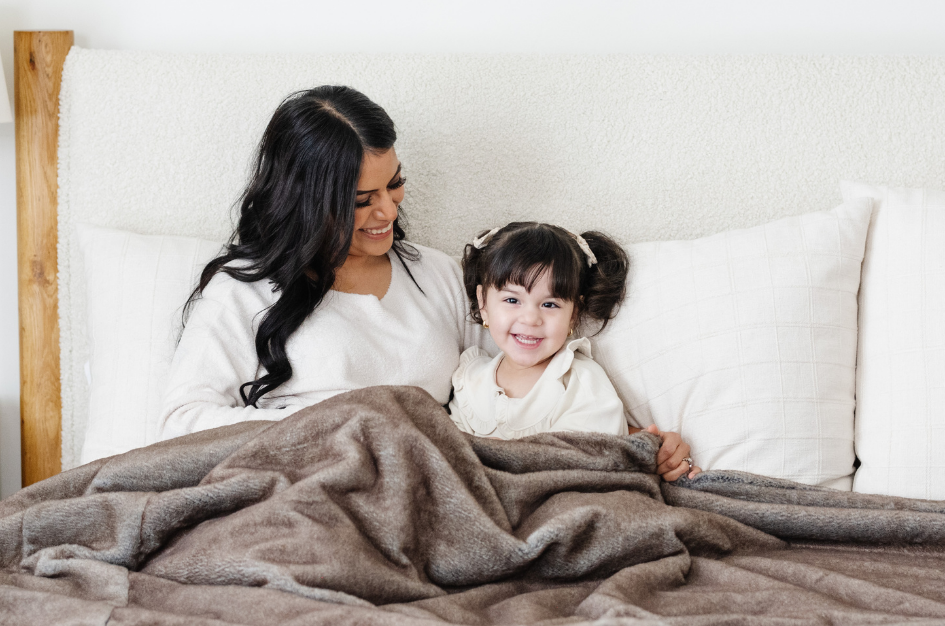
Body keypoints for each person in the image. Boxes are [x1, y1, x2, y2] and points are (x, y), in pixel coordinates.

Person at [159, 85, 482, 437]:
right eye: (362, 200)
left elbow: (515, 380)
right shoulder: (243, 293)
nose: (389, 209)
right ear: (306, 201)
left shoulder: (439, 274)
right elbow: (182, 423)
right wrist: (337, 427)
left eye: (395, 183)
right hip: (309, 477)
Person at [450, 222, 700, 482]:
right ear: (483, 303)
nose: (531, 318)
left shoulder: (579, 380)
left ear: (574, 315)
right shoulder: (468, 379)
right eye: (512, 300)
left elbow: (591, 460)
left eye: (550, 304)